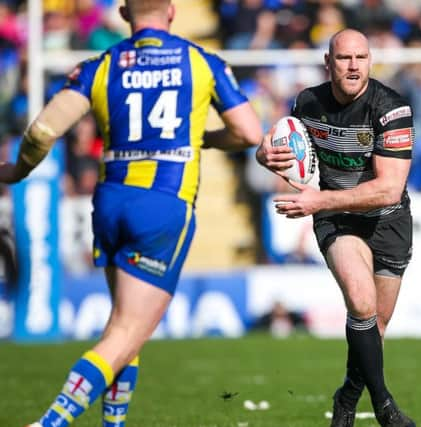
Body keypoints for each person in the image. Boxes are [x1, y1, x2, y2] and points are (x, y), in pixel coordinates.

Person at [1, 1, 262, 426]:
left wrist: (18, 169)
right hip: (162, 205)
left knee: (125, 328)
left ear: (124, 14)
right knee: (127, 332)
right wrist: (204, 139)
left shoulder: (100, 65)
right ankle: (50, 422)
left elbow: (43, 130)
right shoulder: (199, 62)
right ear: (173, 12)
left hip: (109, 202)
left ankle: (114, 424)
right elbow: (250, 132)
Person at [256, 28, 416, 427]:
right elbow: (290, 151)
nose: (352, 66)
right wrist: (265, 154)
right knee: (361, 303)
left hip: (387, 221)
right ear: (328, 63)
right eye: (344, 58)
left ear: (370, 61)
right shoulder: (307, 103)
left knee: (374, 326)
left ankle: (346, 397)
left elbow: (389, 190)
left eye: (360, 58)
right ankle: (384, 408)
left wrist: (318, 199)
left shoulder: (392, 109)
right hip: (338, 219)